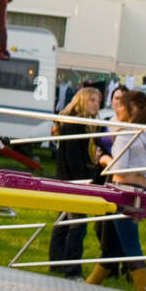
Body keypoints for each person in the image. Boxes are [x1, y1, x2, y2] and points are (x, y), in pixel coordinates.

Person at [87, 90, 146, 291]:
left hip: (123, 189)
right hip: (141, 189)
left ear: (132, 107)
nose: (118, 109)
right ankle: (91, 285)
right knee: (116, 244)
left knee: (130, 245)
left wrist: (104, 160)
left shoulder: (126, 132)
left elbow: (119, 169)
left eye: (121, 106)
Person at [48, 86, 102, 279]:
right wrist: (84, 181)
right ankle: (72, 269)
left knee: (63, 222)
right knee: (77, 225)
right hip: (73, 181)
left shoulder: (87, 124)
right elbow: (73, 159)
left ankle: (56, 262)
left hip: (70, 179)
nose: (96, 104)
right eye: (91, 100)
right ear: (81, 101)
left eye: (97, 101)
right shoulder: (74, 125)